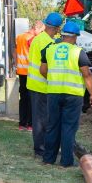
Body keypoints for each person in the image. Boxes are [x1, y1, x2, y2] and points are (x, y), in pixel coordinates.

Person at [40, 21, 92, 167]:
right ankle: (66, 162)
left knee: (53, 126)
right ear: (75, 37)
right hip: (73, 95)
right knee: (68, 127)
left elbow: (43, 70)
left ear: (63, 35)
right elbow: (87, 74)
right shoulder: (78, 52)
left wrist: (53, 80)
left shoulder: (49, 50)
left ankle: (48, 159)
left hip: (53, 93)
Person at [26, 12, 63, 158]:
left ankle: (41, 148)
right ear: (57, 28)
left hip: (35, 85)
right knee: (42, 121)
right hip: (42, 86)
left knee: (39, 119)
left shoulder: (38, 38)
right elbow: (44, 69)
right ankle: (41, 150)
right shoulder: (48, 43)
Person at [14, 20, 44, 131]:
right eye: (41, 31)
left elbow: (14, 51)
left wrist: (16, 64)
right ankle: (31, 124)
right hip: (30, 72)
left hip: (21, 71)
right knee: (32, 99)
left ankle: (22, 124)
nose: (41, 33)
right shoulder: (33, 39)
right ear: (36, 28)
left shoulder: (20, 37)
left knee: (23, 98)